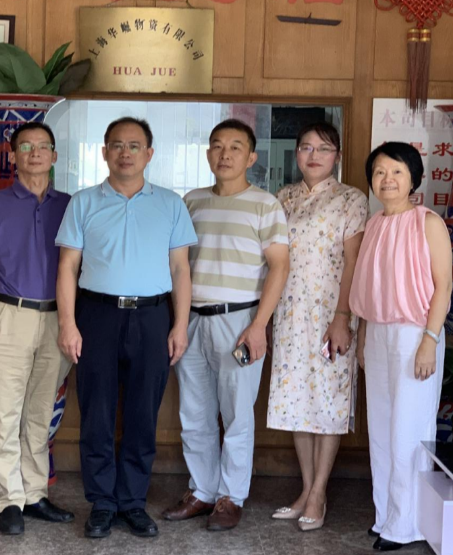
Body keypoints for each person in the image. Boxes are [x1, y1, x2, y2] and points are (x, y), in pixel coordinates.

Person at [56, 117, 197, 539]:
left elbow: (180, 269)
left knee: (142, 413)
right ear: (104, 152)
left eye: (135, 146)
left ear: (149, 154)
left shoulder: (170, 204)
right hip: (96, 315)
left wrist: (180, 325)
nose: (125, 153)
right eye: (117, 145)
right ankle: (102, 502)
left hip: (152, 317)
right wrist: (68, 323)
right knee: (96, 411)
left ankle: (133, 501)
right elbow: (67, 267)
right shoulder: (83, 202)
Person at [162, 119, 289, 531]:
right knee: (194, 411)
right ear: (207, 154)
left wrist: (259, 325)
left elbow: (279, 266)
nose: (225, 154)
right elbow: (178, 265)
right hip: (191, 320)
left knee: (236, 414)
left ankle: (231, 497)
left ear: (251, 157)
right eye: (217, 146)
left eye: (235, 147)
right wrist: (179, 322)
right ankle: (202, 491)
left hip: (240, 321)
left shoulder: (265, 204)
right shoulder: (192, 201)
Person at [0, 122, 74, 535]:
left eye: (43, 146)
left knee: (40, 412)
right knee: (5, 411)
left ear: (54, 155)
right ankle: (9, 500)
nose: (35, 153)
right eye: (25, 147)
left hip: (57, 318)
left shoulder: (70, 205)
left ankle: (35, 494)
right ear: (12, 156)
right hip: (7, 315)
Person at [267, 122, 368, 531]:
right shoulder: (283, 197)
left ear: (337, 156)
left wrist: (342, 317)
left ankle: (319, 492)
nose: (314, 155)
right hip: (290, 315)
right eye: (306, 148)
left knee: (329, 402)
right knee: (296, 403)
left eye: (324, 148)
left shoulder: (351, 199)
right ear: (296, 153)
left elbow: (353, 263)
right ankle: (306, 489)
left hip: (331, 316)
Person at [350, 142, 452, 551]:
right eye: (379, 172)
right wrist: (362, 337)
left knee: (408, 428)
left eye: (396, 171)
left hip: (415, 334)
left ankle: (406, 524)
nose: (387, 179)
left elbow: (443, 287)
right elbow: (367, 287)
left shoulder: (427, 222)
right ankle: (386, 516)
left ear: (413, 179)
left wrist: (429, 340)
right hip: (377, 332)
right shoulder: (374, 224)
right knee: (381, 428)